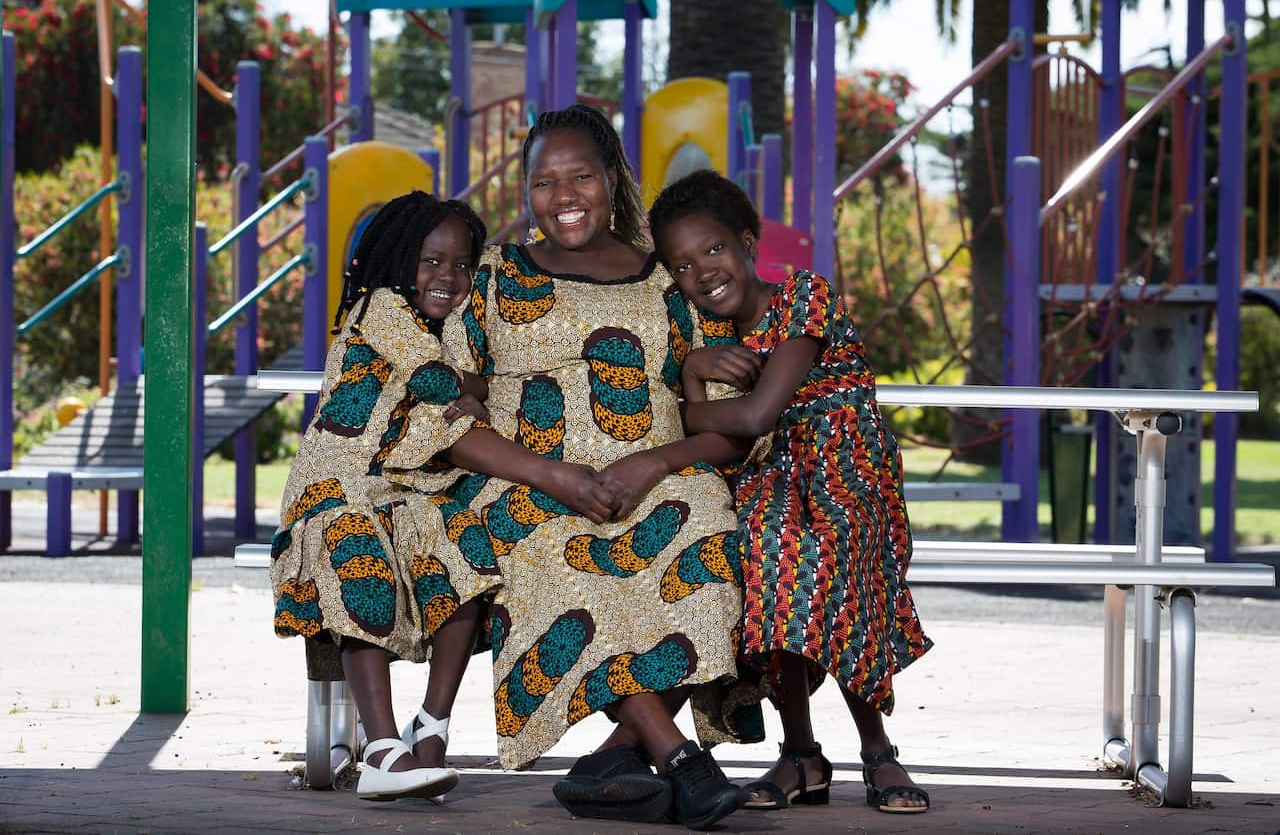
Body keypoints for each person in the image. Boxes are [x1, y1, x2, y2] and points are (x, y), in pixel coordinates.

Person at [437, 105, 759, 830]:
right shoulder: (494, 275)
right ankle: (682, 761)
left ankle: (611, 762)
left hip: (660, 477)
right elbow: (448, 402)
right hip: (529, 482)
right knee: (561, 559)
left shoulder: (668, 281)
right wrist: (545, 468)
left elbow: (729, 427)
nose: (564, 196)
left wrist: (650, 463)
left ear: (611, 178)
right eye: (543, 182)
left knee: (711, 542)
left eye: (580, 176)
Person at [649, 169, 934, 814]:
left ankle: (877, 749)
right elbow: (731, 430)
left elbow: (755, 415)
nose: (703, 272)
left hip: (847, 471)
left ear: (748, 243)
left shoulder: (805, 296)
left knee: (830, 554)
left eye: (714, 249)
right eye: (683, 266)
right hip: (770, 477)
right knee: (767, 553)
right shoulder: (707, 338)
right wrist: (692, 370)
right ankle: (801, 754)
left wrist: (686, 405)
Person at [270, 191, 499, 802]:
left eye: (462, 265)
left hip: (403, 490)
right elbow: (436, 382)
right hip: (334, 490)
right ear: (398, 261)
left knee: (463, 549)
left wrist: (471, 392)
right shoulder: (381, 307)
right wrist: (479, 390)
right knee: (359, 556)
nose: (447, 276)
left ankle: (433, 727)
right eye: (431, 261)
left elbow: (444, 407)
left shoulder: (450, 328)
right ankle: (380, 748)